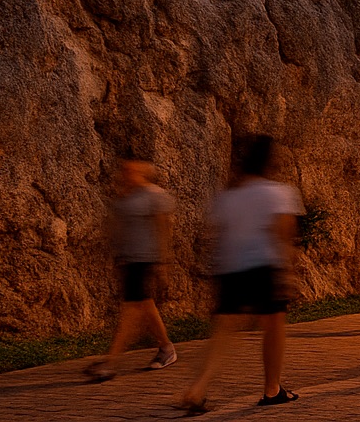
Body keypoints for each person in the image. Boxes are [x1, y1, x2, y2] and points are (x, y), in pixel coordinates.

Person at [179, 135, 303, 412]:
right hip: (264, 267)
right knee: (273, 328)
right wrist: (288, 272)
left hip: (230, 270)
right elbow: (284, 235)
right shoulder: (279, 192)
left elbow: (218, 236)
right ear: (270, 161)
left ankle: (197, 388)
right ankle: (272, 389)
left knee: (223, 333)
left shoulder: (228, 197)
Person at [86, 156, 177, 382]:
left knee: (131, 310)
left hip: (146, 260)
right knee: (145, 306)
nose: (124, 174)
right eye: (124, 171)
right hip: (129, 260)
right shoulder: (126, 197)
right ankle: (167, 349)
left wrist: (164, 264)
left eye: (130, 171)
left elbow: (163, 229)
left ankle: (111, 362)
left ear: (143, 174)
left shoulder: (154, 195)